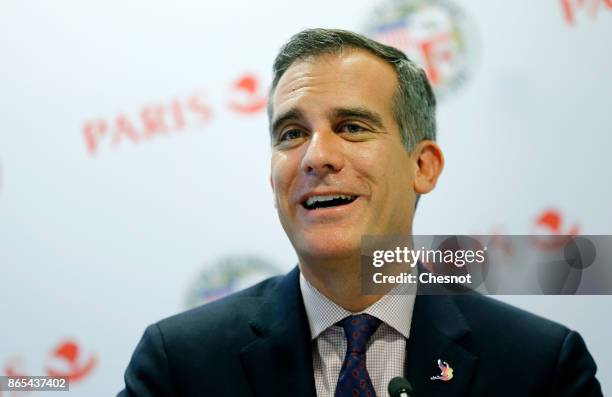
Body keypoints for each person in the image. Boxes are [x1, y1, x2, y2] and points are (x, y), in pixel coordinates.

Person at [118, 29, 602, 397]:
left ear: (423, 166)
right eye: (290, 134)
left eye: (350, 126)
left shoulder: (539, 366)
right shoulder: (179, 365)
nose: (315, 157)